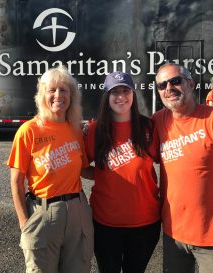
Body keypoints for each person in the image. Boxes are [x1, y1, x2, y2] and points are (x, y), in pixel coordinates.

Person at [152, 63, 213, 273]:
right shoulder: (157, 122)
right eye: (162, 84)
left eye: (175, 81)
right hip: (173, 235)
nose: (169, 88)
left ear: (190, 84)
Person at [7, 65, 93, 273]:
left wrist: (116, 173)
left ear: (71, 96)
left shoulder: (75, 130)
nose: (58, 95)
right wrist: (24, 224)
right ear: (42, 95)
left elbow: (84, 169)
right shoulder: (29, 131)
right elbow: (16, 181)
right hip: (43, 212)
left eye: (64, 90)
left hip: (77, 210)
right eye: (52, 90)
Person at [83, 71, 161, 273]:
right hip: (105, 223)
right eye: (114, 92)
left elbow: (166, 161)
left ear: (133, 94)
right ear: (106, 97)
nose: (121, 97)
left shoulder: (148, 127)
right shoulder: (95, 130)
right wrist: (104, 175)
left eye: (125, 90)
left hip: (145, 222)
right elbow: (82, 167)